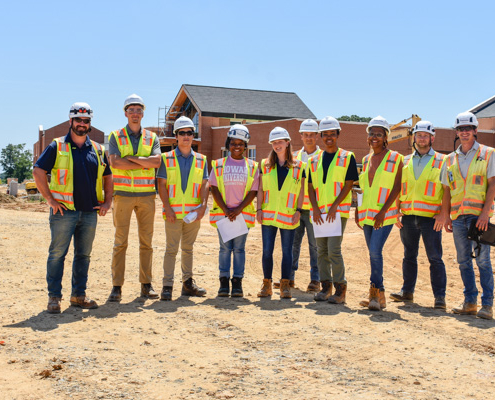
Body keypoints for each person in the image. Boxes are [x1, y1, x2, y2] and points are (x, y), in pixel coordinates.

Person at [33, 102, 113, 313]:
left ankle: (78, 295)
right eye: (78, 120)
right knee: (57, 254)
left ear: (89, 124)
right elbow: (38, 171)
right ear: (71, 121)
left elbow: (108, 176)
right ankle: (54, 298)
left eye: (86, 121)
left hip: (89, 212)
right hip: (63, 212)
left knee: (83, 256)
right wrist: (49, 199)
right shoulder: (56, 146)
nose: (82, 124)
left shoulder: (97, 149)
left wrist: (108, 201)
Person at [436, 112, 495, 320]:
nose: (464, 132)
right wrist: (447, 215)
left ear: (475, 130)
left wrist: (485, 213)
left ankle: (487, 305)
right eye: (461, 129)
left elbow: (492, 184)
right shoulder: (450, 159)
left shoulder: (488, 153)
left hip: (478, 216)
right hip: (459, 217)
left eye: (468, 128)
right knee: (463, 260)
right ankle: (470, 302)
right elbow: (446, 189)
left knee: (483, 260)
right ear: (457, 132)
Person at [107, 94, 162, 302]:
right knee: (120, 242)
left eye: (139, 110)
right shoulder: (116, 136)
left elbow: (156, 162)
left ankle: (146, 285)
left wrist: (129, 158)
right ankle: (116, 287)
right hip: (122, 196)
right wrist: (142, 161)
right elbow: (115, 163)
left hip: (147, 195)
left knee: (146, 243)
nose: (135, 114)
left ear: (143, 113)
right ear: (125, 113)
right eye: (132, 110)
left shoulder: (152, 137)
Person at [392, 121, 447, 309]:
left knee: (434, 258)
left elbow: (447, 190)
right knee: (409, 256)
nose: (422, 138)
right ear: (413, 137)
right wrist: (396, 211)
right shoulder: (405, 160)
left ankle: (440, 298)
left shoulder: (442, 160)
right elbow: (399, 187)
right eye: (418, 135)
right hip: (408, 216)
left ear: (432, 138)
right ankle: (407, 292)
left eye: (425, 135)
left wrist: (443, 214)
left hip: (431, 218)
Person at [157, 116, 209, 301]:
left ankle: (187, 284)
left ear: (193, 136)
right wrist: (167, 208)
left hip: (193, 214)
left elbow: (204, 185)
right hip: (173, 214)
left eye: (189, 133)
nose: (186, 136)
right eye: (182, 133)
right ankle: (167, 286)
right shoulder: (166, 158)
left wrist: (203, 207)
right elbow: (161, 185)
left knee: (188, 249)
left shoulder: (202, 160)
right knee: (171, 249)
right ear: (176, 136)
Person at [308, 116, 358, 304]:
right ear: (321, 136)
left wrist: (335, 205)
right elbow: (311, 187)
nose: (329, 137)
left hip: (337, 213)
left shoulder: (347, 157)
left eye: (332, 134)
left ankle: (340, 290)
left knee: (333, 250)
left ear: (338, 135)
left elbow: (348, 184)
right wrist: (315, 208)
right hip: (320, 213)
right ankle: (325, 288)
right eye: (325, 134)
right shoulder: (313, 160)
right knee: (321, 251)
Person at [356, 116, 403, 311]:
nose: (374, 136)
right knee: (372, 253)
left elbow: (397, 186)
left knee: (375, 251)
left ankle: (375, 293)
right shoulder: (366, 159)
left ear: (386, 137)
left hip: (384, 215)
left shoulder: (396, 158)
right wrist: (357, 211)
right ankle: (379, 296)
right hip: (367, 215)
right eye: (371, 133)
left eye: (379, 134)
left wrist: (383, 212)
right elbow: (363, 189)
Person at [209, 125, 259, 297]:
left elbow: (253, 190)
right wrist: (226, 209)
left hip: (241, 216)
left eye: (241, 143)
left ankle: (237, 282)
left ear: (246, 146)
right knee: (224, 249)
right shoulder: (219, 165)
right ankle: (223, 281)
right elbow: (214, 188)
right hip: (224, 215)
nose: (237, 146)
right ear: (228, 144)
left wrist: (238, 209)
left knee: (239, 249)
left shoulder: (252, 166)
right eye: (233, 143)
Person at [273, 119, 322, 292]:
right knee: (293, 244)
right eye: (305, 135)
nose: (308, 138)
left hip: (314, 210)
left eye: (312, 135)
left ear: (317, 136)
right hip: (295, 209)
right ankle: (289, 277)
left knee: (315, 245)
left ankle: (316, 279)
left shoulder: (322, 157)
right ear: (300, 136)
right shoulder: (294, 158)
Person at [256, 127, 305, 299]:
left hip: (288, 215)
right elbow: (261, 189)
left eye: (280, 142)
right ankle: (266, 284)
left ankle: (285, 285)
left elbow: (301, 191)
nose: (277, 145)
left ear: (287, 143)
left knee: (287, 251)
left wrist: (299, 210)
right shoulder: (265, 164)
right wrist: (259, 209)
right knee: (267, 251)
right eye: (274, 143)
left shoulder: (299, 166)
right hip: (268, 215)